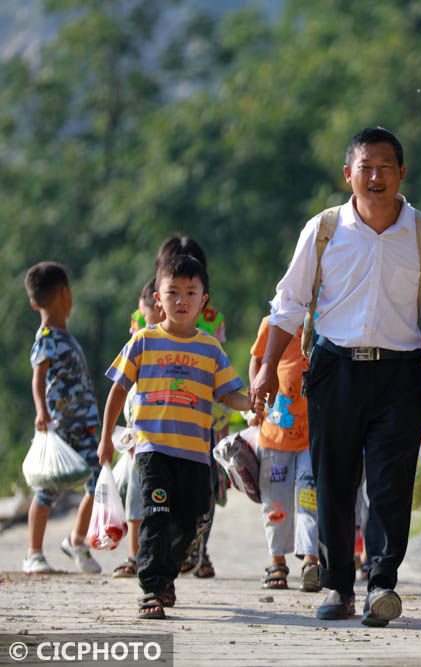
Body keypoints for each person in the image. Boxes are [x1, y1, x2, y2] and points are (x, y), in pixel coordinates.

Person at [251, 126, 421, 627]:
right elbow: (289, 303)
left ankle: (382, 585)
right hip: (333, 368)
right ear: (349, 175)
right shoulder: (323, 229)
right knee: (334, 481)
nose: (376, 176)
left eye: (386, 166)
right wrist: (265, 370)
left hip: (401, 374)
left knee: (389, 485)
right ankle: (339, 585)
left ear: (402, 172)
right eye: (366, 167)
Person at [98, 255, 252, 619]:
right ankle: (151, 588)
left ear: (204, 301)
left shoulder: (211, 349)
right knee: (156, 513)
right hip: (153, 449)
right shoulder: (144, 342)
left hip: (197, 453)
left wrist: (251, 404)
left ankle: (166, 573)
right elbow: (118, 390)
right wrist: (106, 439)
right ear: (158, 299)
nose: (181, 300)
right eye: (173, 292)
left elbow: (228, 394)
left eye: (190, 292)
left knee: (195, 516)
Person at [133, 235, 229, 579]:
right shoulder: (146, 318)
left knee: (198, 493)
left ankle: (195, 550)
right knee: (153, 496)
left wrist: (226, 421)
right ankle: (146, 559)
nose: (182, 297)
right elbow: (130, 371)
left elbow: (221, 374)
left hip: (198, 414)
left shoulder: (211, 318)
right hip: (155, 419)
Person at [22, 262, 103, 575]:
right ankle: (33, 553)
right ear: (66, 294)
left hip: (85, 426)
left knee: (98, 484)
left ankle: (77, 540)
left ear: (33, 302)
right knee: (47, 490)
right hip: (60, 428)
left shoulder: (66, 338)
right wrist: (41, 410)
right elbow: (38, 377)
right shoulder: (47, 338)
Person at [248, 316, 321, 592]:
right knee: (275, 500)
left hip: (313, 434)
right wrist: (255, 394)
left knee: (310, 497)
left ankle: (311, 561)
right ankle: (277, 560)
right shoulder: (273, 323)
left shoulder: (325, 320)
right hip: (275, 433)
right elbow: (257, 359)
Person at [113, 279, 164, 578]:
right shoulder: (139, 341)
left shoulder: (175, 342)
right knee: (135, 502)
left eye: (145, 313)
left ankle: (154, 556)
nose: (144, 320)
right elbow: (120, 390)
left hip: (165, 440)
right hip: (138, 441)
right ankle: (134, 556)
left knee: (159, 505)